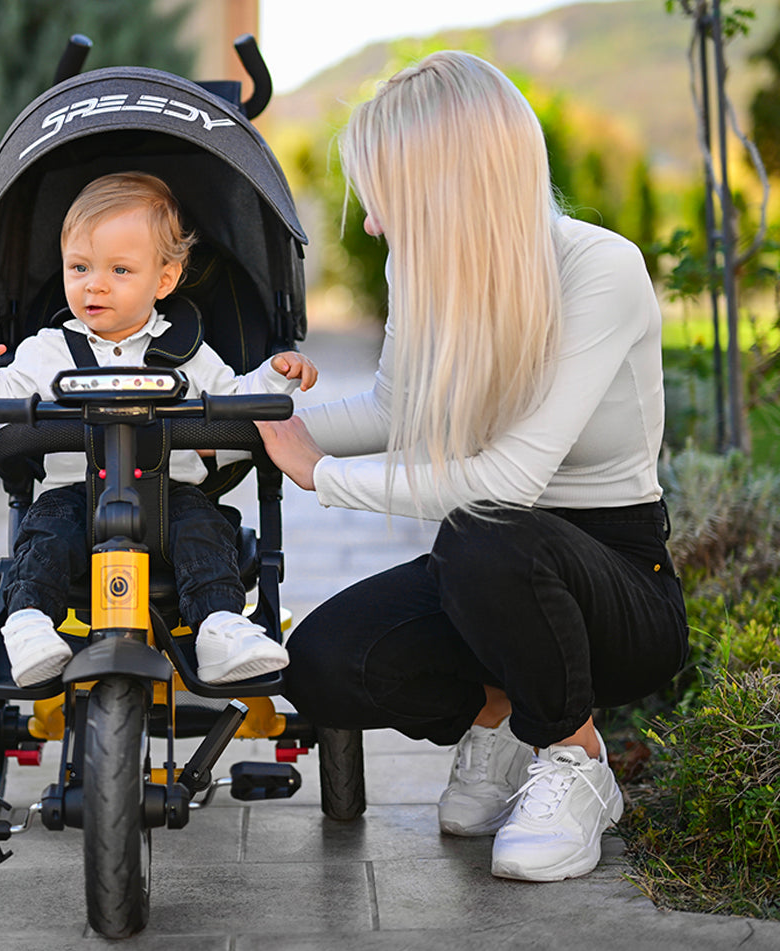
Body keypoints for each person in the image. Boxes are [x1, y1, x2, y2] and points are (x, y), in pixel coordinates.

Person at [256, 52, 688, 883]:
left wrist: (322, 478)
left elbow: (507, 485)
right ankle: (501, 712)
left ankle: (575, 758)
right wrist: (265, 427)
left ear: (446, 185)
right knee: (321, 665)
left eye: (385, 197)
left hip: (618, 586)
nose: (374, 225)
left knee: (485, 534)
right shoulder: (420, 269)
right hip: (488, 567)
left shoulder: (599, 270)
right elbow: (393, 410)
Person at [0, 171, 317, 688]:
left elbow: (232, 403)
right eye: (80, 267)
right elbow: (3, 413)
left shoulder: (186, 351)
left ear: (164, 280)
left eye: (119, 269)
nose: (95, 283)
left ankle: (220, 627)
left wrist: (274, 375)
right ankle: (27, 626)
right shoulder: (49, 351)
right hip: (77, 500)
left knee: (207, 532)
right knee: (42, 535)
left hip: (169, 500)